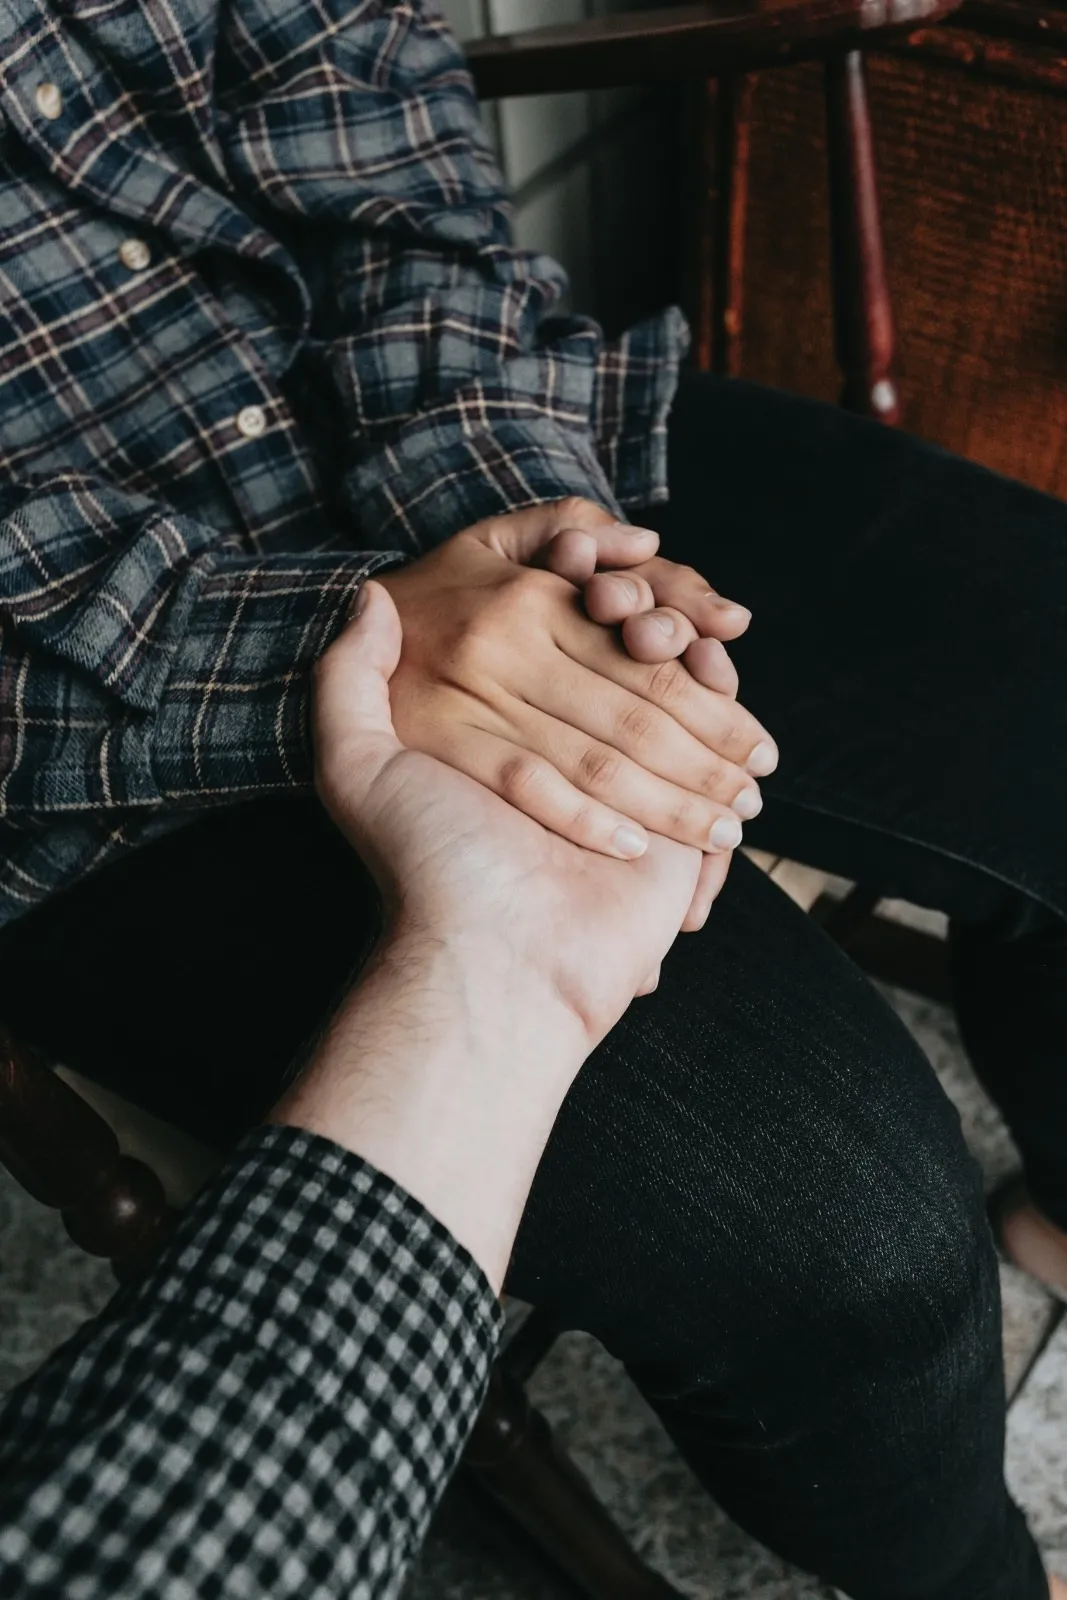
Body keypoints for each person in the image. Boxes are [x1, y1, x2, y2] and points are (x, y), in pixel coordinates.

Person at [0, 2, 1064, 1597]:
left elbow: (361, 94)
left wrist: (518, 520)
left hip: (418, 430)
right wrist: (349, 648)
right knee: (841, 1234)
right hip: (86, 718)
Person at [0, 580, 711, 1597]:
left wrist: (565, 586)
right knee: (852, 1247)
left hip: (463, 642)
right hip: (127, 801)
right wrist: (366, 622)